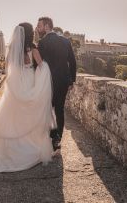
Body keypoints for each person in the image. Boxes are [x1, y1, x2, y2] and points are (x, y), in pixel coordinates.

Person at [0, 23, 56, 173]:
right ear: (30, 34)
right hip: (29, 80)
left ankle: (9, 152)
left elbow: (8, 67)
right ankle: (30, 148)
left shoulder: (11, 49)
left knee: (12, 113)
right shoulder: (33, 48)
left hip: (16, 83)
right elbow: (42, 66)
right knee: (29, 112)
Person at [37, 17, 77, 151]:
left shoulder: (42, 43)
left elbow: (38, 64)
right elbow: (72, 62)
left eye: (40, 26)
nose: (38, 28)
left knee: (48, 109)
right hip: (63, 81)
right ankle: (58, 138)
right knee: (59, 109)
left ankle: (52, 136)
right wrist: (72, 80)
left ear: (47, 26)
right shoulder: (65, 41)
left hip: (47, 81)